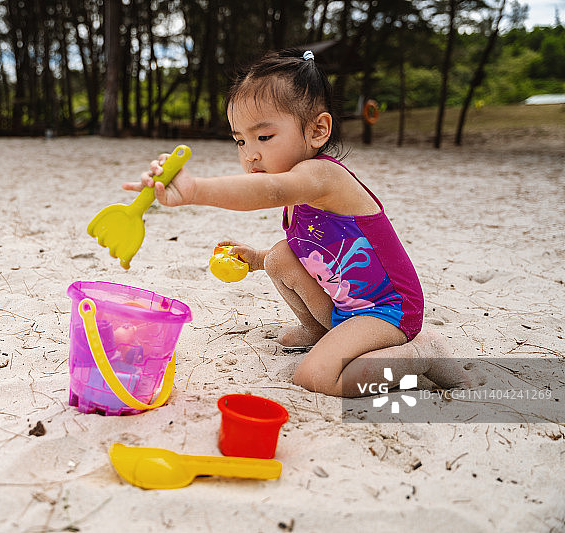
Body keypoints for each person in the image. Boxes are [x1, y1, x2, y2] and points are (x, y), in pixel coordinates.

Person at [123, 49, 474, 397]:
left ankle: (421, 352)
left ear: (317, 130)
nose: (250, 154)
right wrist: (258, 260)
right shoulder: (296, 189)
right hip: (345, 307)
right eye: (240, 141)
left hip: (388, 309)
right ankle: (320, 332)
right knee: (278, 255)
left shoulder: (321, 176)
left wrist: (194, 190)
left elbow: (269, 190)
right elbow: (307, 250)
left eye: (263, 137)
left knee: (316, 376)